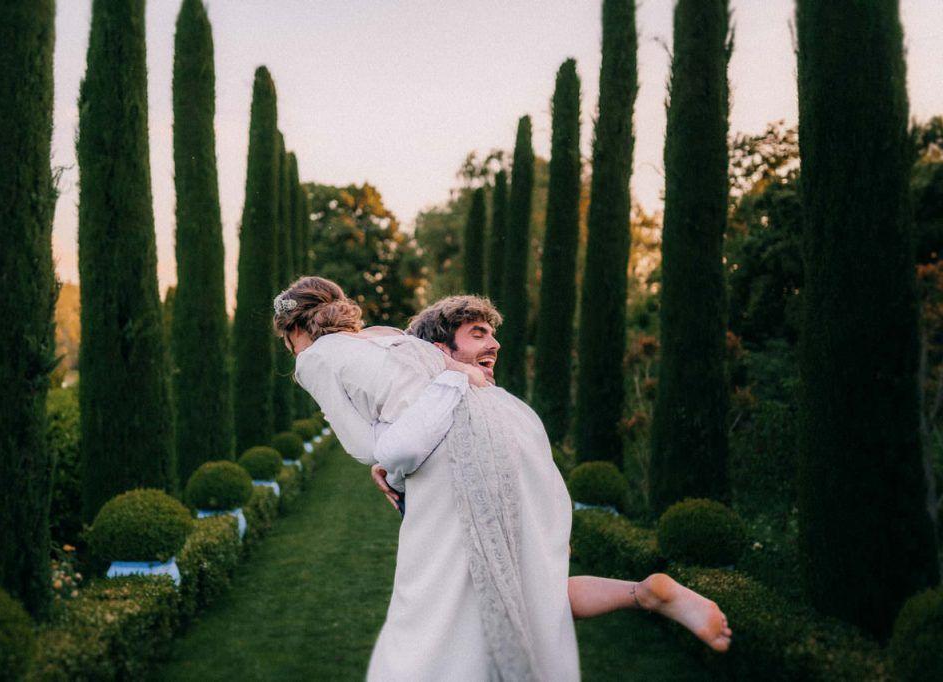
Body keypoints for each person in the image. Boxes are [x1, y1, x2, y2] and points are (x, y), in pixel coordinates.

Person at [274, 276, 731, 681]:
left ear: (293, 329)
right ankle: (642, 594)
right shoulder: (384, 338)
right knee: (534, 592)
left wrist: (387, 462)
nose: (493, 345)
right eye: (479, 333)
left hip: (455, 450)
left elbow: (368, 445)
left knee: (435, 607)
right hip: (515, 438)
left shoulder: (315, 359)